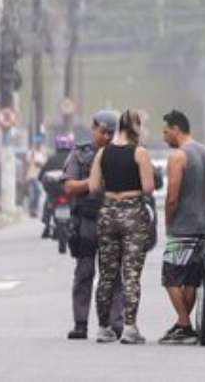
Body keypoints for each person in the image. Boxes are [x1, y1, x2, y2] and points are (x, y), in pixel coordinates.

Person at [88, 109, 156, 345]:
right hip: (133, 213)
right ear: (135, 126)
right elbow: (148, 188)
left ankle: (103, 327)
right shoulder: (140, 153)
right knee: (131, 274)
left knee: (106, 274)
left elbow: (93, 187)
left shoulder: (102, 153)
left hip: (108, 213)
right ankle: (129, 328)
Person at [158, 109, 205, 344]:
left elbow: (172, 197)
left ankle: (184, 325)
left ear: (176, 129)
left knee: (171, 277)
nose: (164, 136)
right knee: (191, 280)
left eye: (166, 132)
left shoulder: (178, 156)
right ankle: (182, 324)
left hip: (183, 228)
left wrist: (169, 222)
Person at [61, 115, 123, 340]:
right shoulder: (79, 154)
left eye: (111, 133)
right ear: (93, 129)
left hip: (112, 220)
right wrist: (94, 182)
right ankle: (80, 323)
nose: (106, 137)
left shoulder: (121, 154)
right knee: (84, 273)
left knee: (113, 275)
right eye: (102, 132)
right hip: (86, 221)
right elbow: (69, 186)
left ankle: (115, 323)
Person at [41, 134, 75, 239]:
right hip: (69, 191)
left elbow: (40, 176)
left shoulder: (51, 159)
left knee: (48, 202)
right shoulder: (74, 159)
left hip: (54, 192)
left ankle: (47, 227)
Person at [24, 138, 47, 216]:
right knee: (36, 191)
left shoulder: (41, 154)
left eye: (39, 144)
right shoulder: (31, 153)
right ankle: (32, 208)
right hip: (32, 176)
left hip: (39, 176)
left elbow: (44, 164)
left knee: (37, 193)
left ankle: (34, 209)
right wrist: (33, 157)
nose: (38, 146)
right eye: (37, 144)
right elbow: (28, 162)